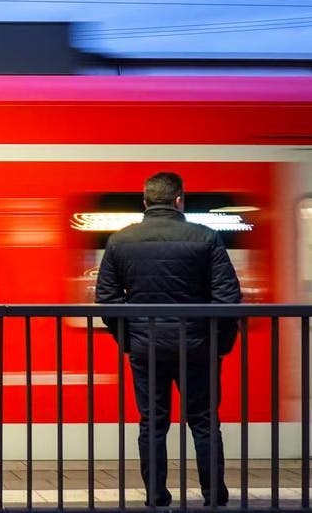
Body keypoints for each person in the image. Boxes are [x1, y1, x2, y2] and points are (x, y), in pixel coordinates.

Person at [95, 172, 241, 507]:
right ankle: (214, 494)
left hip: (146, 348)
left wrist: (130, 339)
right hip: (198, 347)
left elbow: (107, 299)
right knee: (204, 422)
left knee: (152, 423)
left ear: (145, 202)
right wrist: (218, 345)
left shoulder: (120, 240)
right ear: (180, 200)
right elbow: (228, 299)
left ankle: (156, 496)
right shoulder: (206, 237)